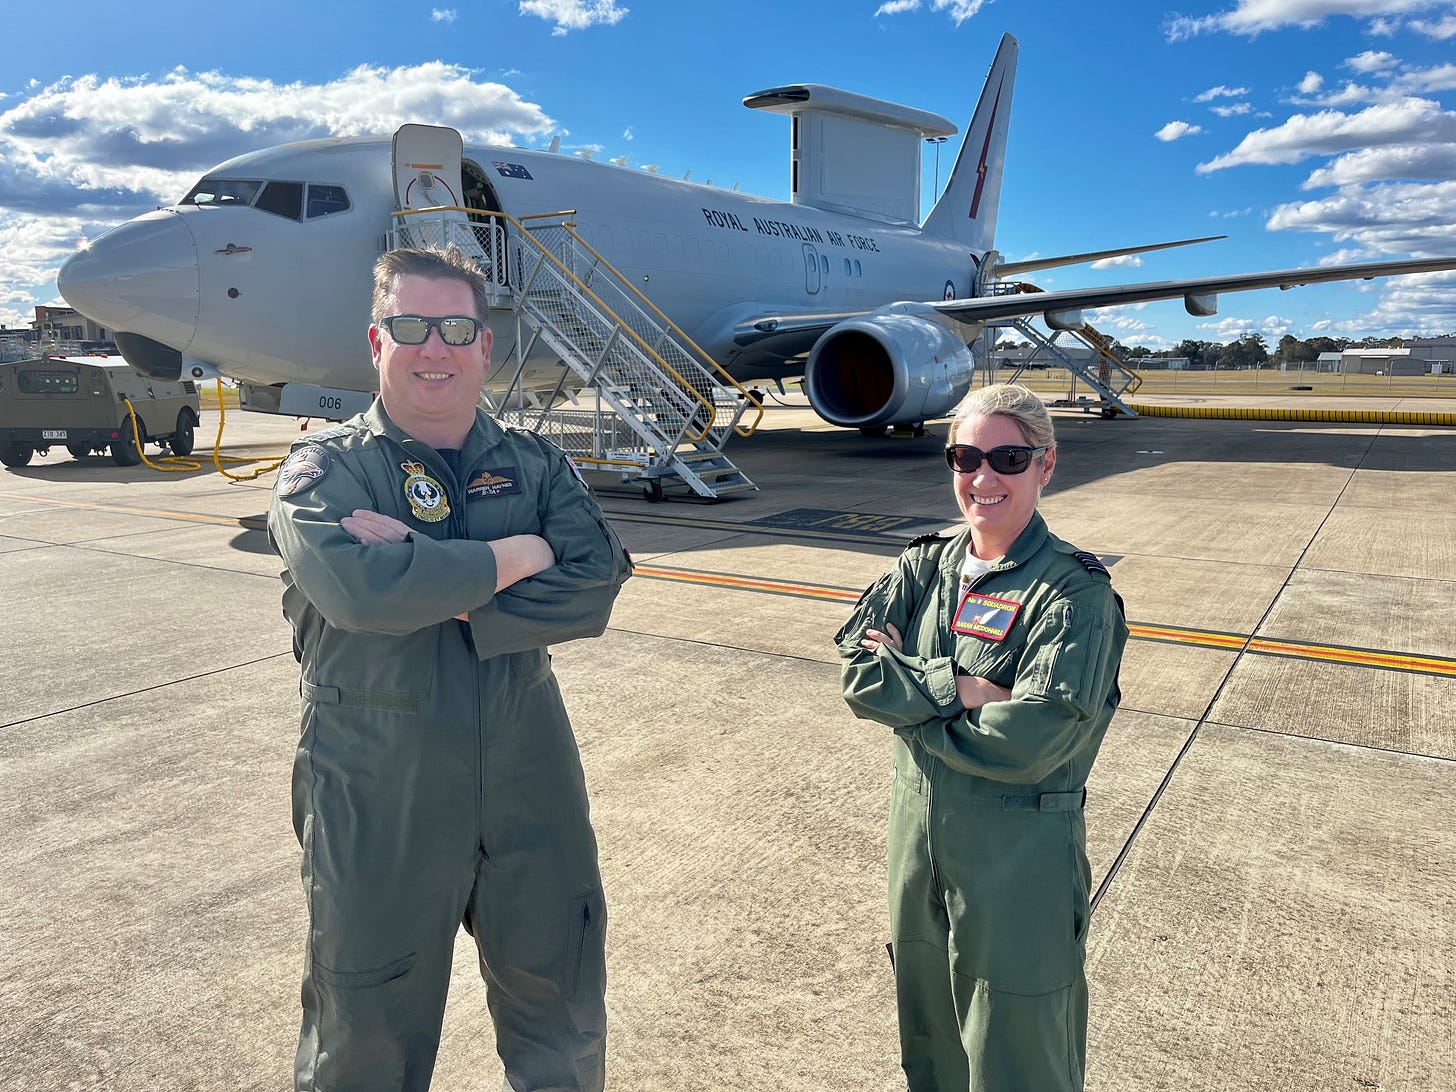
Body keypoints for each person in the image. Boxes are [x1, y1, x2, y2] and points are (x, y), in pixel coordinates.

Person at [268, 245, 633, 1092]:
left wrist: (432, 570)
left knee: (563, 1008)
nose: (434, 348)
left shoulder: (536, 463)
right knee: (364, 1031)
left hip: (530, 773)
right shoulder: (327, 472)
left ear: (484, 346)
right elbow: (359, 591)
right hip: (377, 785)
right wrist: (520, 554)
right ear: (377, 341)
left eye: (456, 329)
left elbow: (594, 588)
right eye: (411, 327)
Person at [835, 383, 1127, 1092]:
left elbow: (1031, 739)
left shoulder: (1074, 595)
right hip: (917, 853)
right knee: (930, 1040)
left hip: (1017, 862)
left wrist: (912, 700)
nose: (983, 477)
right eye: (966, 457)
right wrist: (962, 690)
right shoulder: (925, 565)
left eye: (1008, 458)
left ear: (1045, 465)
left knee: (1018, 1050)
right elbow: (859, 675)